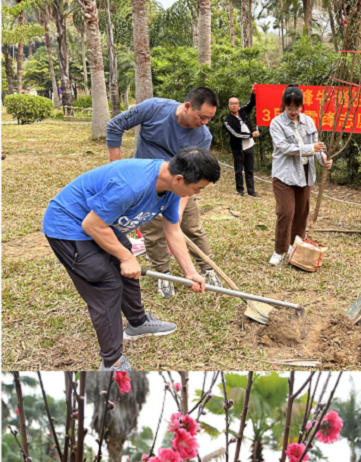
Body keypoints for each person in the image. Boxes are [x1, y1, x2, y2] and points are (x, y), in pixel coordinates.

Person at [42, 147, 220, 371]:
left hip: (103, 223)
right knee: (106, 283)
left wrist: (190, 272)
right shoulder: (131, 185)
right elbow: (91, 225)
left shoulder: (173, 188)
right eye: (198, 188)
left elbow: (173, 231)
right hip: (70, 225)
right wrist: (126, 257)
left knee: (126, 266)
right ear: (179, 178)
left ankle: (138, 323)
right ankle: (112, 362)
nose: (198, 194)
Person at [106, 86, 221, 297]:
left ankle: (206, 267)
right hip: (147, 186)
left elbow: (194, 179)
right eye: (202, 116)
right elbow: (115, 125)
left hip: (182, 187)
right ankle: (163, 273)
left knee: (192, 227)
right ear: (187, 107)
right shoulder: (154, 108)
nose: (205, 123)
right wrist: (116, 168)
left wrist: (178, 208)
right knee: (153, 233)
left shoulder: (203, 137)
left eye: (209, 119)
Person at [268, 85, 332, 266]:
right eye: (290, 108)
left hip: (305, 173)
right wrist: (310, 149)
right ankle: (279, 251)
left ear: (302, 106)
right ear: (284, 105)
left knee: (302, 213)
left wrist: (324, 159)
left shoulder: (309, 122)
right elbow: (284, 147)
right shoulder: (276, 123)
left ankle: (294, 246)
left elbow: (317, 146)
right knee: (286, 212)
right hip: (284, 174)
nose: (294, 111)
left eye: (297, 107)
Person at [224, 92, 260, 198]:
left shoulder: (243, 111)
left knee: (249, 170)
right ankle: (240, 190)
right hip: (238, 149)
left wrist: (254, 92)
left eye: (236, 103)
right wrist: (251, 135)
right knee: (238, 170)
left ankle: (251, 191)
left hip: (249, 146)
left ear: (239, 105)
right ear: (229, 106)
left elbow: (251, 103)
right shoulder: (228, 121)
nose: (234, 105)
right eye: (232, 103)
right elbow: (236, 134)